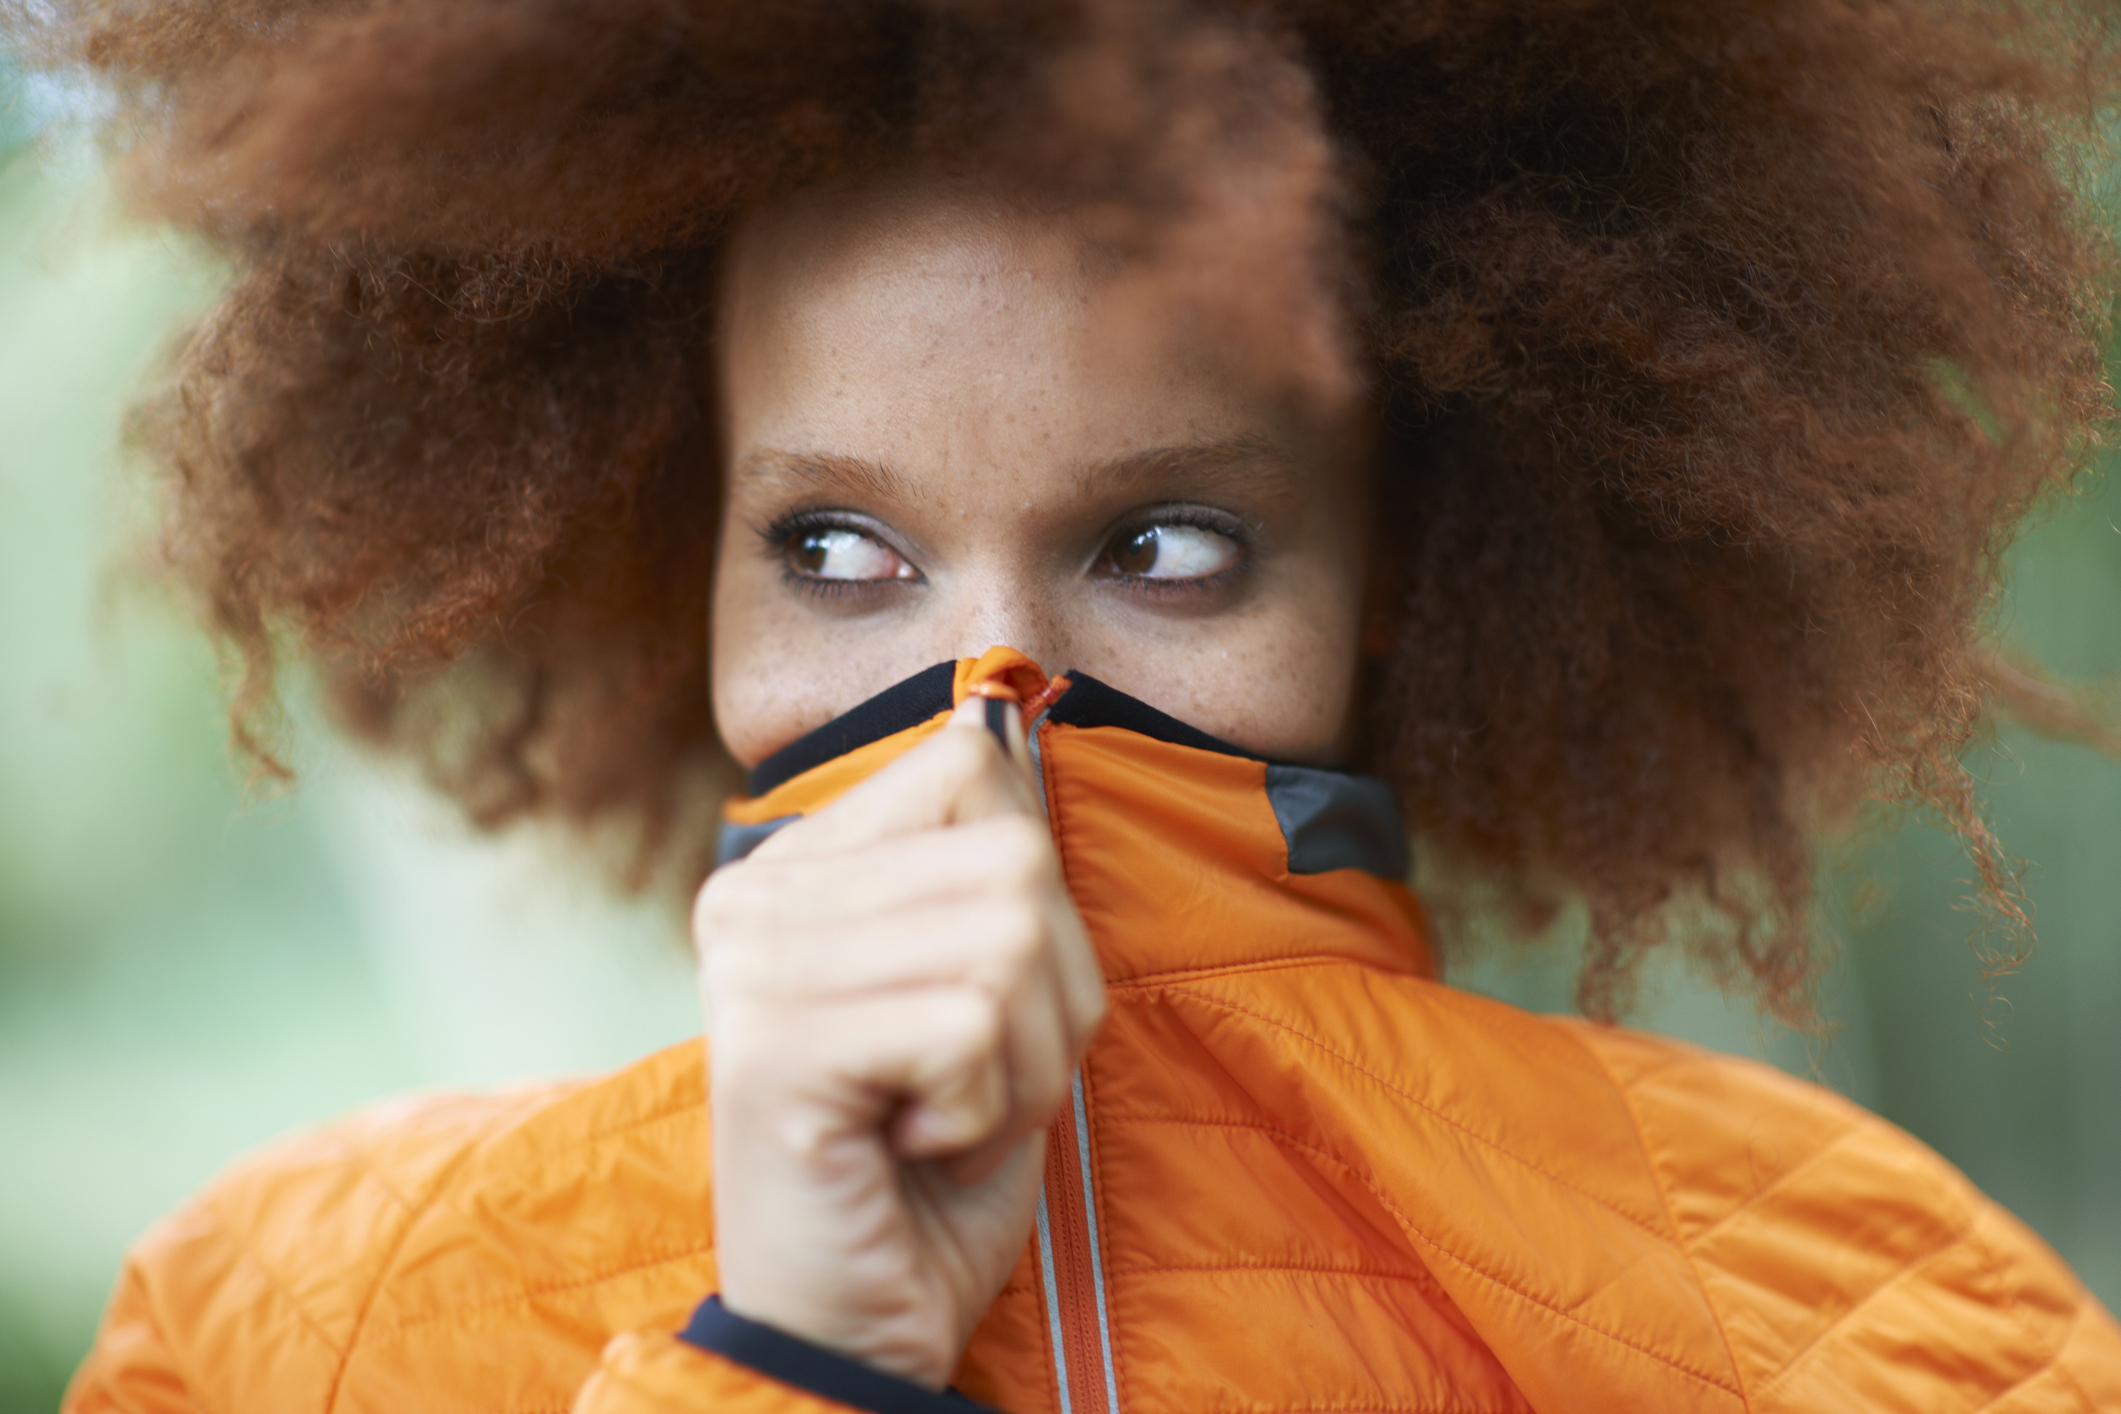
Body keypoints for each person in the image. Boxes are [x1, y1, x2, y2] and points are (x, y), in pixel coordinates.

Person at [20, 0, 2121, 1409]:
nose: (984, 711)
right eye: (837, 553)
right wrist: (788, 1349)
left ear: (1401, 570)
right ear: (675, 570)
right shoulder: (281, 1326)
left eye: (1167, 546)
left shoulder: (1885, 1317)